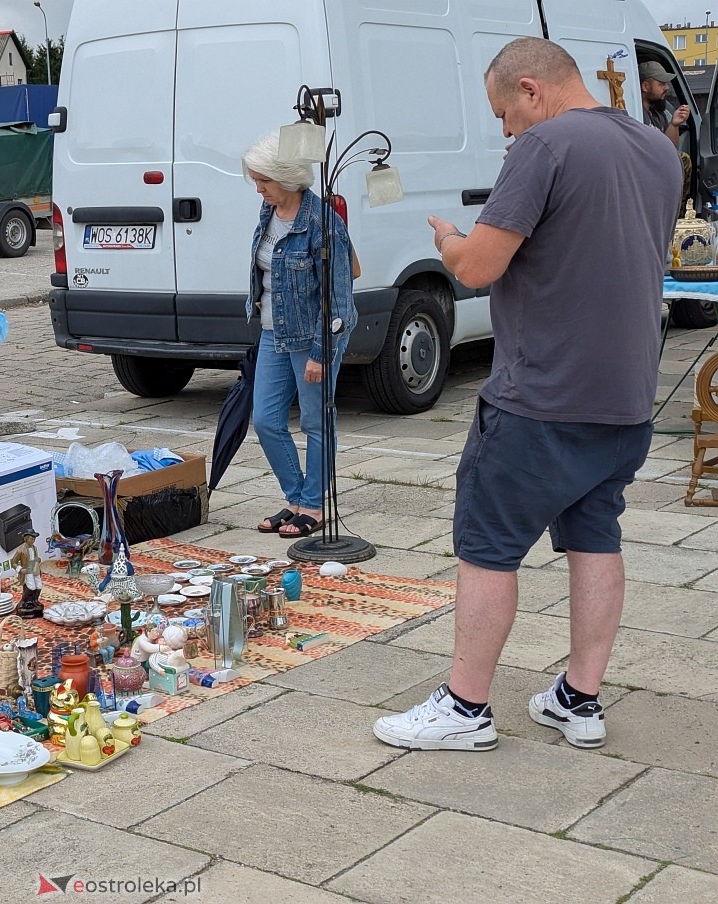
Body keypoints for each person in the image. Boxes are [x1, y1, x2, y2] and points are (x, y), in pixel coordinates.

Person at [373, 37, 680, 752]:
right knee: (596, 538)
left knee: (486, 546)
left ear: (533, 90)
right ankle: (580, 698)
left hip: (540, 395)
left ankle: (465, 707)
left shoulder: (543, 150)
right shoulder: (657, 150)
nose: (506, 130)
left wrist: (449, 240)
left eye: (504, 113)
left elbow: (479, 267)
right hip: (626, 395)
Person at [243, 133, 358, 539]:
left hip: (311, 340)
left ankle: (314, 504)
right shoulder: (268, 211)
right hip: (273, 332)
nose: (258, 188)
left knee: (316, 422)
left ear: (288, 177)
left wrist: (321, 352)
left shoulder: (323, 225)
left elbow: (340, 302)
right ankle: (295, 498)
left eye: (264, 181)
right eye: (255, 180)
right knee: (266, 420)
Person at [639, 60, 692, 215]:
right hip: (646, 172)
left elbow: (669, 149)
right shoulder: (635, 111)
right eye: (661, 83)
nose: (666, 88)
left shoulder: (658, 115)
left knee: (682, 159)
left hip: (656, 169)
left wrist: (674, 124)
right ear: (645, 86)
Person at [12, 528, 44, 619]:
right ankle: (23, 601)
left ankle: (35, 600)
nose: (33, 540)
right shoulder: (21, 550)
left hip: (35, 569)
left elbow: (37, 558)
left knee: (39, 586)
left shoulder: (35, 548)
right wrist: (20, 569)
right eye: (31, 538)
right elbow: (13, 562)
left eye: (34, 538)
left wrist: (38, 560)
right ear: (26, 538)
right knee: (31, 587)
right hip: (27, 570)